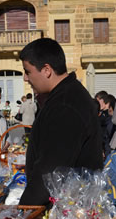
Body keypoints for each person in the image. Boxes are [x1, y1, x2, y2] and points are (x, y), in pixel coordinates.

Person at [18, 38, 103, 206]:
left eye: (28, 71)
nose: (25, 78)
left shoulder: (65, 105)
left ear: (46, 70)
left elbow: (50, 170)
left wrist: (25, 211)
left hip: (70, 212)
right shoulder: (66, 95)